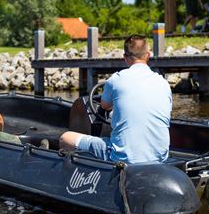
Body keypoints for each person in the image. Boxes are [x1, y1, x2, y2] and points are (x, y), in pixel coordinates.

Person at [59, 35, 172, 164]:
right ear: (148, 55)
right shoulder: (163, 83)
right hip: (160, 157)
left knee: (65, 138)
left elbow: (105, 106)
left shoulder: (116, 79)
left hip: (122, 157)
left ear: (125, 58)